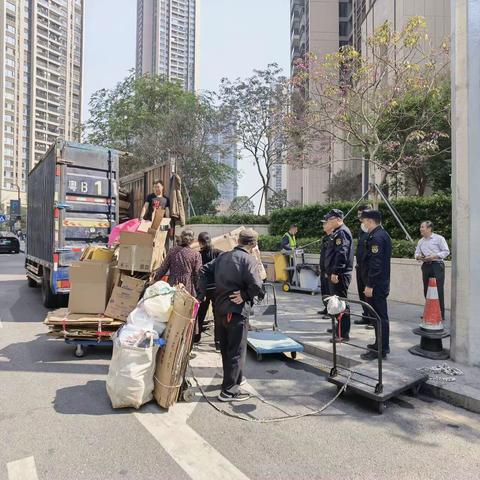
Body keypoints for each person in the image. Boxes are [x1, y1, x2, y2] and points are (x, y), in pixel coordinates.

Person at [198, 229, 264, 402]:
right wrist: (245, 295)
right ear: (253, 244)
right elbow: (257, 285)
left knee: (227, 350)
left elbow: (203, 270)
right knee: (236, 351)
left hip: (220, 310)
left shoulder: (223, 256)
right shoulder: (249, 259)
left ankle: (234, 381)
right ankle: (229, 391)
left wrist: (204, 292)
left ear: (238, 240)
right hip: (236, 312)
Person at [359, 210, 392, 360]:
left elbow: (376, 264)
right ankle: (379, 344)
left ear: (371, 221)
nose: (363, 224)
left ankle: (381, 349)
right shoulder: (380, 234)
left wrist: (370, 285)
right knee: (377, 316)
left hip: (376, 284)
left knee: (379, 317)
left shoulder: (377, 237)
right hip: (378, 282)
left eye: (364, 221)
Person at [323, 209, 354, 341]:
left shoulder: (342, 233)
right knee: (336, 302)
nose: (328, 222)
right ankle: (339, 327)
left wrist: (336, 272)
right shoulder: (337, 232)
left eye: (330, 220)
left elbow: (342, 253)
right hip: (335, 273)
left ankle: (343, 333)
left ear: (337, 219)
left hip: (339, 274)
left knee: (341, 303)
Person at [415, 221, 450, 320]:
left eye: (422, 227)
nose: (420, 229)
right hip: (426, 265)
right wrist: (419, 257)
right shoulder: (420, 241)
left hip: (437, 265)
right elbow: (416, 253)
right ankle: (429, 311)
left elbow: (446, 251)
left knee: (438, 289)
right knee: (427, 289)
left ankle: (440, 314)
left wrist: (434, 256)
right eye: (420, 227)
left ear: (429, 228)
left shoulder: (439, 238)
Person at [153, 229, 202, 297]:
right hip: (187, 286)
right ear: (192, 240)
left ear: (181, 238)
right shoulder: (196, 254)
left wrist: (155, 279)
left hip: (172, 284)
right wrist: (200, 290)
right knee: (184, 305)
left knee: (171, 305)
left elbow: (163, 268)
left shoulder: (172, 251)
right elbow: (197, 274)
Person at [193, 232, 222, 345]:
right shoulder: (219, 253)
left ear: (200, 242)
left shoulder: (198, 255)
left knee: (200, 313)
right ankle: (218, 341)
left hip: (203, 289)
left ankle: (196, 336)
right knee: (217, 314)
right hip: (217, 288)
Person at [354, 204, 373, 326]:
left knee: (370, 294)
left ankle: (373, 319)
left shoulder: (373, 230)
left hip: (369, 268)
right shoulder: (362, 229)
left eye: (362, 214)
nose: (360, 217)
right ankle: (365, 315)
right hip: (360, 266)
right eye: (359, 214)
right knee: (361, 293)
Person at [318, 222, 333, 317]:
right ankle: (327, 307)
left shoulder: (332, 238)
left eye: (325, 224)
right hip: (323, 269)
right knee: (324, 290)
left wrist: (329, 270)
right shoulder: (325, 238)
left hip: (329, 270)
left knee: (330, 291)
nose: (323, 226)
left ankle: (331, 311)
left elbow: (331, 256)